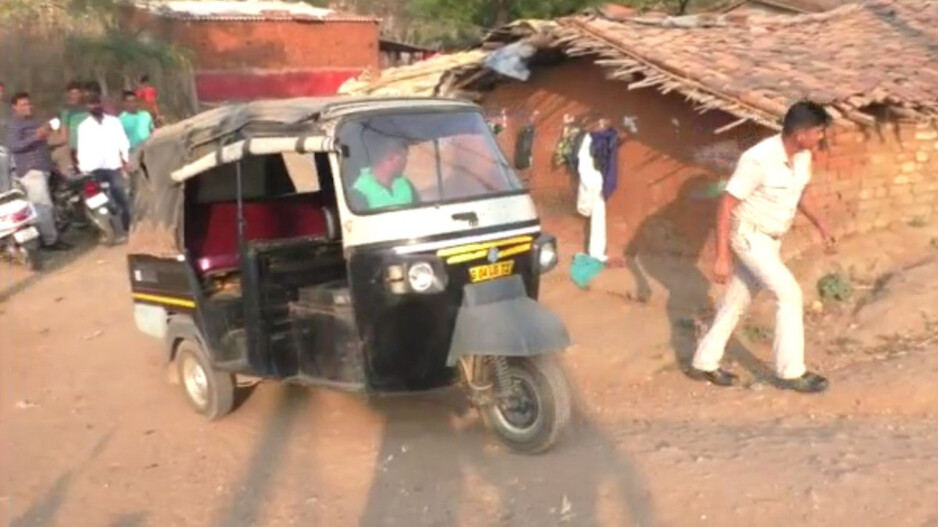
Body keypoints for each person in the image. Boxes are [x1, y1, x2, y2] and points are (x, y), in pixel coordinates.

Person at [689, 101, 834, 394]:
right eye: (818, 131)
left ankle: (705, 361)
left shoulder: (803, 156)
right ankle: (791, 372)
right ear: (800, 133)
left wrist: (822, 224)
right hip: (748, 237)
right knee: (789, 293)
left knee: (736, 300)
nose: (821, 137)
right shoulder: (757, 160)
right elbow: (726, 205)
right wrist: (721, 257)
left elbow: (801, 192)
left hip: (771, 239)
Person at [7, 92, 70, 250]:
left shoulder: (33, 122)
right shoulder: (14, 125)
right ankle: (50, 241)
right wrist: (36, 136)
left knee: (48, 204)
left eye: (29, 104)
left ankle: (49, 236)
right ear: (14, 107)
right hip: (31, 171)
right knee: (43, 206)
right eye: (23, 105)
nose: (28, 107)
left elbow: (43, 144)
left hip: (44, 168)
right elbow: (14, 146)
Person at [76, 93, 132, 232]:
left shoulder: (113, 121)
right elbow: (82, 148)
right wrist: (83, 169)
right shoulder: (84, 127)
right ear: (86, 107)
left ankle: (129, 226)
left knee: (121, 195)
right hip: (94, 168)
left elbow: (123, 142)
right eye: (91, 104)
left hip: (113, 165)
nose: (94, 106)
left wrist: (125, 159)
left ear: (101, 103)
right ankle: (104, 228)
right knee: (98, 200)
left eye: (96, 103)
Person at [349, 136, 419, 211]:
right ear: (390, 157)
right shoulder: (360, 191)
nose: (405, 161)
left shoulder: (406, 184)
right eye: (403, 156)